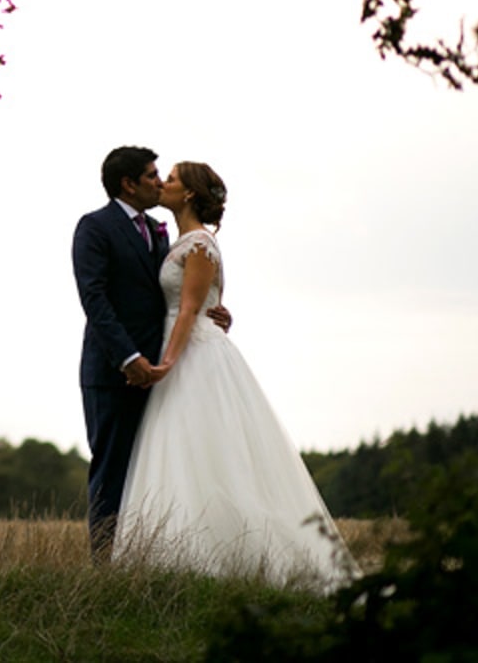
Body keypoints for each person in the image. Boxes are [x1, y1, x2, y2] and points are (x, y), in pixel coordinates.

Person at [113, 162, 360, 589]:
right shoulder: (178, 241)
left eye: (170, 179)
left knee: (208, 451)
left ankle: (232, 561)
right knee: (182, 451)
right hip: (182, 347)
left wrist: (168, 363)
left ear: (188, 194)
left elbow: (191, 309)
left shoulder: (200, 245)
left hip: (194, 355)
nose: (163, 184)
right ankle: (179, 559)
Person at [71, 146, 229, 560]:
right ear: (128, 183)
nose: (159, 182)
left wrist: (213, 313)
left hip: (161, 370)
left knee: (159, 465)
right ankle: (105, 566)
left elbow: (180, 295)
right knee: (112, 467)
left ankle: (152, 556)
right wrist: (128, 358)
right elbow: (95, 299)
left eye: (164, 176)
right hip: (113, 370)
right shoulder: (94, 228)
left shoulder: (163, 233)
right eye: (152, 175)